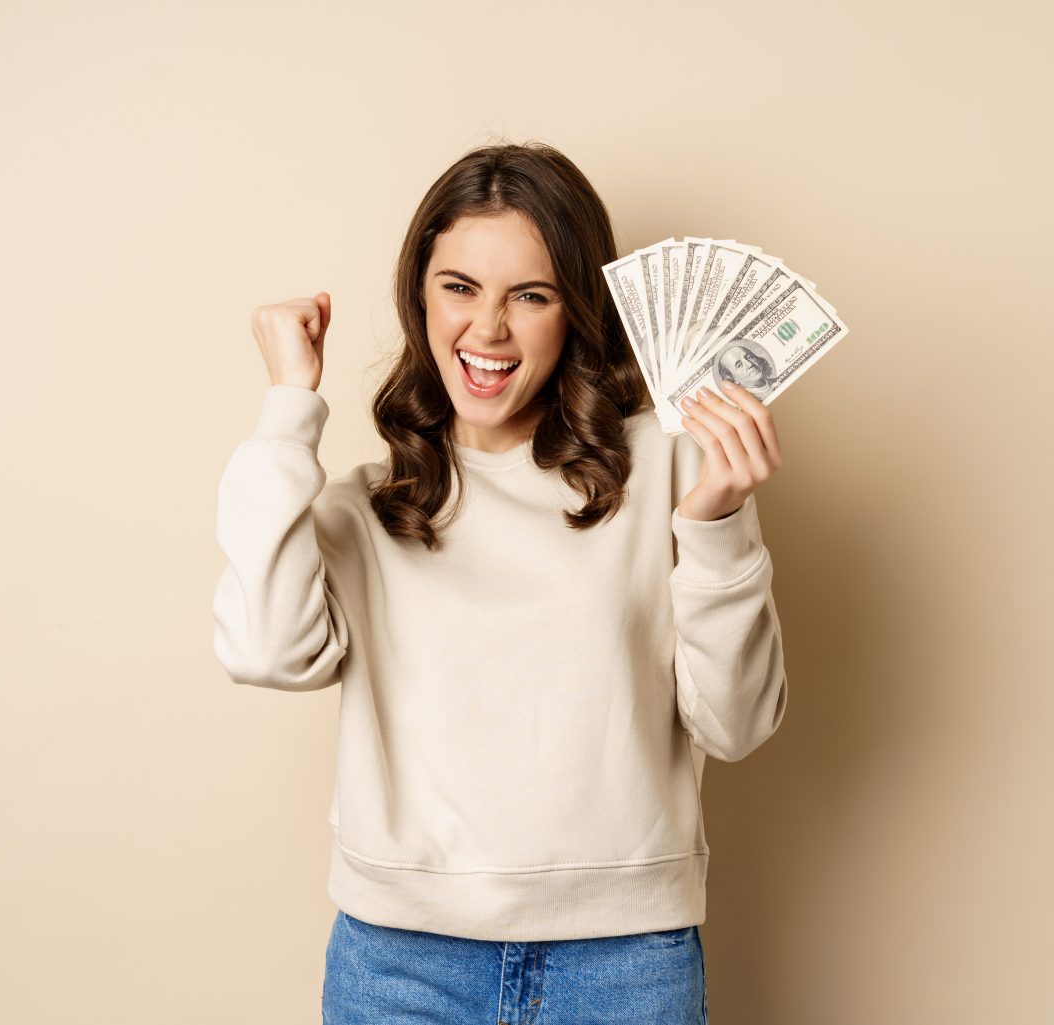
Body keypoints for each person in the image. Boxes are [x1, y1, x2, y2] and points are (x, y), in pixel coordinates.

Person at [210, 142, 788, 1024]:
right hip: (400, 964)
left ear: (576, 309)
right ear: (420, 297)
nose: (488, 329)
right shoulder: (369, 507)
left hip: (625, 968)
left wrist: (715, 524)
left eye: (530, 293)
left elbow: (739, 722)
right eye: (460, 287)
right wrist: (291, 402)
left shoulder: (669, 471)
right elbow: (264, 651)